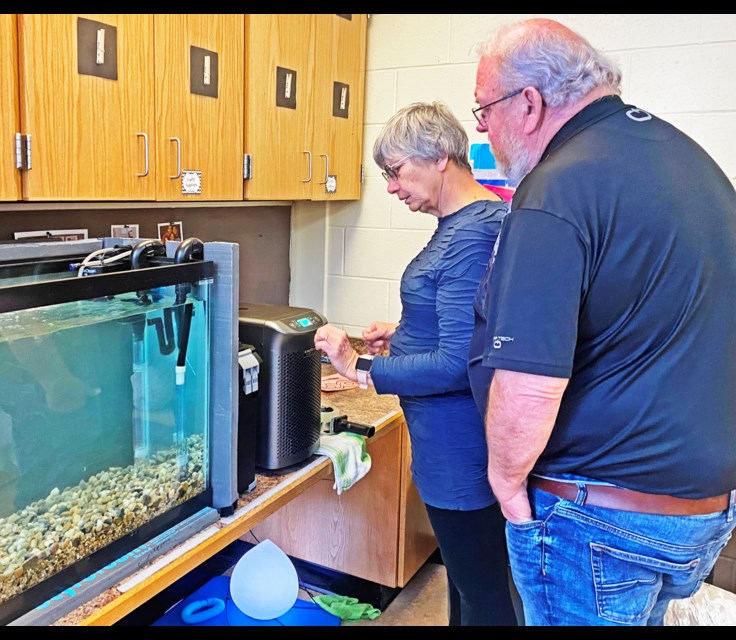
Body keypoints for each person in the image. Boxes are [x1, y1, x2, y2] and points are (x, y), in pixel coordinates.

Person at [468, 18, 736, 626]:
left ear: (528, 104)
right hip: (699, 508)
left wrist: (507, 488)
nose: (486, 132)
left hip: (598, 516)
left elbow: (529, 378)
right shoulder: (686, 160)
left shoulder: (555, 189)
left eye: (484, 113)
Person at [314, 102, 517, 626]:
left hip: (459, 451)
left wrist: (358, 365)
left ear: (441, 157)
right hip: (449, 445)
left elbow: (456, 363)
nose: (390, 186)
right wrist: (400, 337)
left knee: (483, 597)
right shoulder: (462, 223)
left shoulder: (472, 234)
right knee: (471, 587)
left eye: (396, 170)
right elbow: (461, 326)